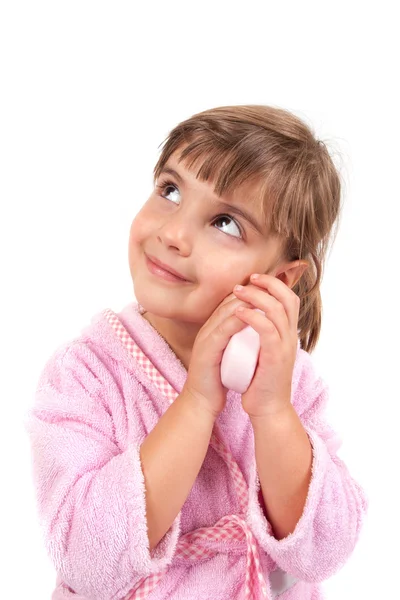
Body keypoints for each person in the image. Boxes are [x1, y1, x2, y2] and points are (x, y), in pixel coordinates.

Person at [25, 104, 368, 600]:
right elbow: (86, 558)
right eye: (170, 190)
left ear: (280, 279)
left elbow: (325, 550)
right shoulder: (85, 376)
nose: (173, 234)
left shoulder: (291, 384)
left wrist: (272, 413)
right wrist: (197, 402)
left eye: (226, 223)